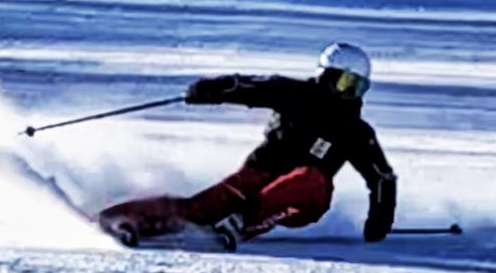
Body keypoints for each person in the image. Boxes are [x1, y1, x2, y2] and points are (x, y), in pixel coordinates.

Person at [98, 42, 397, 250]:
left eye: (359, 87)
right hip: (260, 174)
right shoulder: (296, 94)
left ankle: (241, 224)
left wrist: (378, 222)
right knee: (200, 209)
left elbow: (381, 178)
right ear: (327, 76)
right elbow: (251, 86)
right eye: (347, 83)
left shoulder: (355, 131)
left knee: (308, 178)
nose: (351, 94)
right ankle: (122, 218)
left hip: (305, 198)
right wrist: (212, 90)